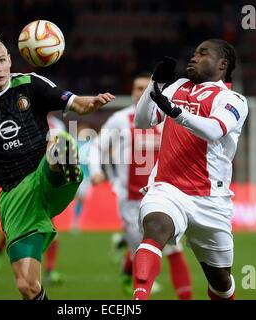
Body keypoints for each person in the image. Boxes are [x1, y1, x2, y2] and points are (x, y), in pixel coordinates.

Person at [0, 34, 114, 300]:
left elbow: (77, 103)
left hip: (42, 178)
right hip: (14, 197)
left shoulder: (31, 84)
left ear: (10, 60)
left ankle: (63, 164)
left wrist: (92, 103)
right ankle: (62, 161)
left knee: (57, 145)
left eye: (2, 61)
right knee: (28, 286)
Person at [132, 39, 248, 300]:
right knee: (155, 226)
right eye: (194, 53)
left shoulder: (233, 99)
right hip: (168, 188)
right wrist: (155, 84)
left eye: (202, 53)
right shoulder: (178, 86)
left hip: (211, 201)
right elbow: (142, 121)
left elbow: (214, 130)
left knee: (221, 282)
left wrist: (176, 112)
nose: (193, 58)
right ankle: (137, 300)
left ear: (222, 64)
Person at [89, 73, 192, 299]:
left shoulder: (169, 117)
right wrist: (96, 172)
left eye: (146, 88)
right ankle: (128, 271)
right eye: (137, 88)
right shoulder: (120, 119)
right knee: (142, 252)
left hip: (165, 195)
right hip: (131, 200)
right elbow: (97, 146)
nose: (141, 92)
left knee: (173, 250)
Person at [0, 114, 66, 286]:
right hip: (23, 181)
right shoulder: (25, 117)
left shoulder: (58, 125)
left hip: (44, 182)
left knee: (51, 227)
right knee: (16, 225)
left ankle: (50, 270)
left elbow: (60, 151)